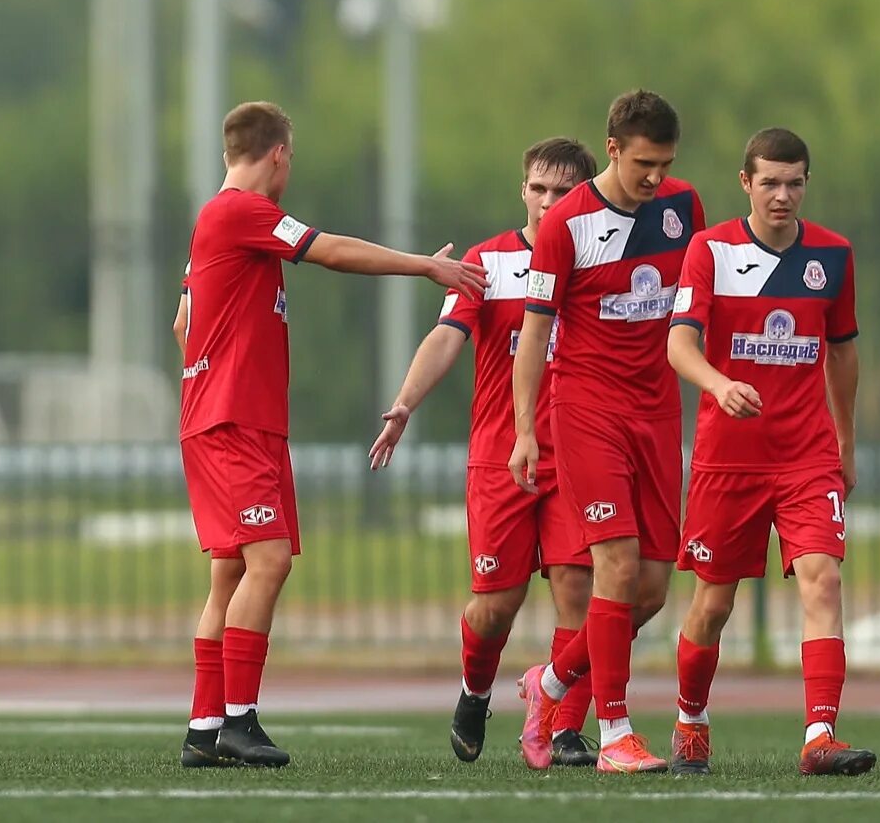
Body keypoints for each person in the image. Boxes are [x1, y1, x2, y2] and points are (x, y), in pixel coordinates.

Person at [178, 101, 485, 769]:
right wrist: (425, 267)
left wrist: (219, 357)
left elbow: (182, 323)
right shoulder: (242, 212)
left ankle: (205, 727)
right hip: (234, 420)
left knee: (230, 570)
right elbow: (332, 250)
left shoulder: (213, 223)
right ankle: (238, 719)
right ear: (279, 154)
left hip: (222, 414)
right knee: (270, 561)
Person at [369, 137, 598, 765]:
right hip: (502, 456)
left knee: (580, 589)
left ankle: (563, 727)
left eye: (562, 193)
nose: (548, 202)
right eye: (538, 189)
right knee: (496, 606)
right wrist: (405, 404)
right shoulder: (490, 261)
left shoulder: (600, 263)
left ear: (581, 199)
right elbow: (448, 335)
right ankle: (475, 690)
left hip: (578, 454)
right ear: (522, 190)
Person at [664, 128, 875, 776]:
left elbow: (841, 351)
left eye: (795, 182)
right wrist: (719, 383)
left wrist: (845, 438)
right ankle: (691, 717)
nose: (783, 194)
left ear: (806, 183)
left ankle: (820, 735)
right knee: (714, 603)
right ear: (746, 182)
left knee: (824, 578)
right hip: (730, 457)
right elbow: (679, 344)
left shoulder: (833, 257)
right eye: (771, 181)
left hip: (807, 453)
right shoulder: (711, 249)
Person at [512, 90, 702, 774]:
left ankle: (551, 682)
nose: (654, 177)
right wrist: (525, 430)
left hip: (658, 413)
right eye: (643, 162)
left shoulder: (684, 208)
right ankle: (615, 732)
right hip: (587, 408)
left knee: (650, 586)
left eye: (665, 163)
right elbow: (535, 331)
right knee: (614, 565)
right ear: (614, 147)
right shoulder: (567, 225)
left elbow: (694, 305)